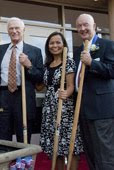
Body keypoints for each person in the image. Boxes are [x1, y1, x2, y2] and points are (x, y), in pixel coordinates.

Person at [0, 17, 44, 143]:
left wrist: (29, 65)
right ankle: (5, 161)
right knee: (3, 133)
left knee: (24, 134)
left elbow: (40, 77)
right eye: (11, 28)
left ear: (23, 30)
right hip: (3, 95)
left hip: (23, 96)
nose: (14, 31)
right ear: (7, 31)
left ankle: (23, 162)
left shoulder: (35, 51)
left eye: (17, 28)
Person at [74, 14, 114, 170]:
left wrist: (92, 63)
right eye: (79, 26)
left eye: (86, 25)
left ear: (94, 26)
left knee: (105, 153)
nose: (82, 28)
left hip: (102, 110)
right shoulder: (78, 51)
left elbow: (112, 70)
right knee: (90, 153)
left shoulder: (107, 45)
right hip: (83, 110)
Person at [39, 32, 83, 170]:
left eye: (58, 42)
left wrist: (66, 93)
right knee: (55, 148)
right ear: (48, 46)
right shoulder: (47, 65)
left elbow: (70, 86)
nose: (55, 45)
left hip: (64, 109)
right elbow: (41, 86)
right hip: (49, 109)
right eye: (52, 43)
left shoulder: (68, 62)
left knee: (70, 146)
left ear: (64, 44)